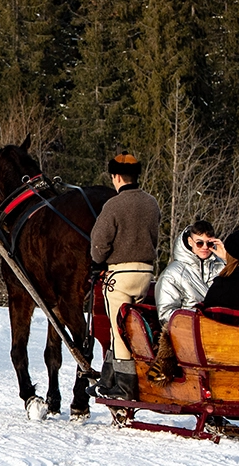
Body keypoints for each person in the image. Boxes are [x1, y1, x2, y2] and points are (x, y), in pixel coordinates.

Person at [86, 152, 160, 401]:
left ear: (116, 177)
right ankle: (107, 380)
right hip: (145, 273)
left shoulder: (113, 205)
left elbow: (99, 243)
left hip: (120, 274)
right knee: (137, 330)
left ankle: (125, 387)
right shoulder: (152, 203)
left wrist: (98, 262)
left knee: (118, 332)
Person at [147, 220, 225, 384]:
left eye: (209, 243)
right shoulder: (173, 273)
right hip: (188, 333)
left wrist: (227, 259)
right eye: (199, 242)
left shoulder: (223, 267)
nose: (204, 247)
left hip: (220, 330)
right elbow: (166, 313)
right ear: (190, 242)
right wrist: (192, 324)